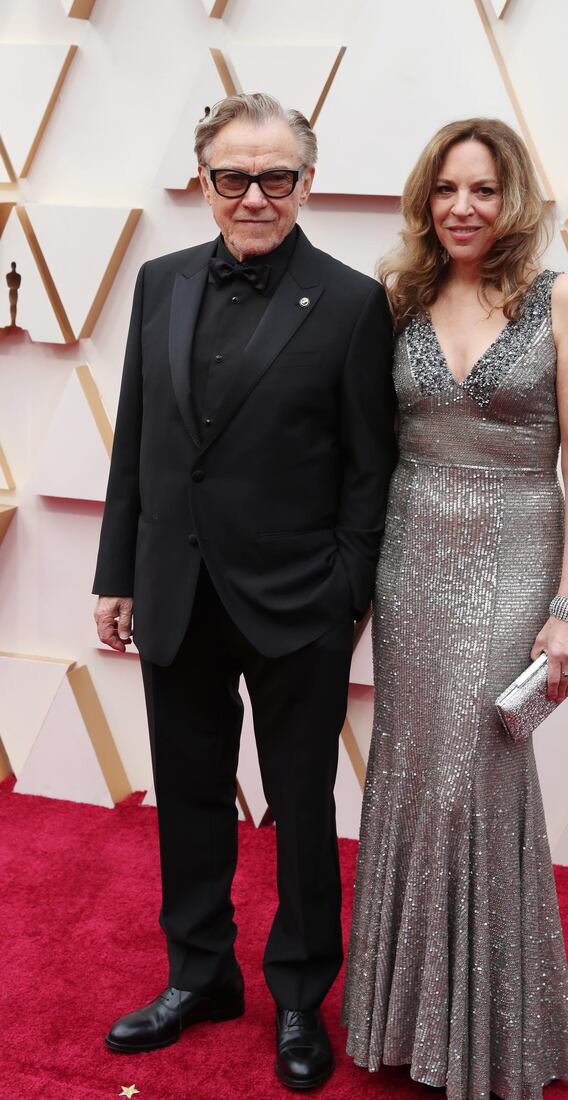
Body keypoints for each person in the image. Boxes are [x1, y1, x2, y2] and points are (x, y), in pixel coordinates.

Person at [92, 93, 396, 1090]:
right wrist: (116, 573)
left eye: (275, 177)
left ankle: (302, 995)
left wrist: (345, 588)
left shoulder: (353, 301)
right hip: (175, 583)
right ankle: (201, 975)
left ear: (307, 181)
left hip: (297, 600)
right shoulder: (159, 281)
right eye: (234, 176)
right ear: (205, 179)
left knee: (300, 806)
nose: (254, 195)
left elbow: (367, 466)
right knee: (186, 796)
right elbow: (139, 438)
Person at [342, 118, 568, 1099]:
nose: (462, 207)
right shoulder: (398, 299)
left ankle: (487, 1032)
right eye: (447, 189)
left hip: (509, 555)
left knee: (471, 780)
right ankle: (403, 1021)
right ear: (425, 197)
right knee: (408, 775)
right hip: (411, 559)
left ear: (512, 201)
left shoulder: (558, 298)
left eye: (483, 190)